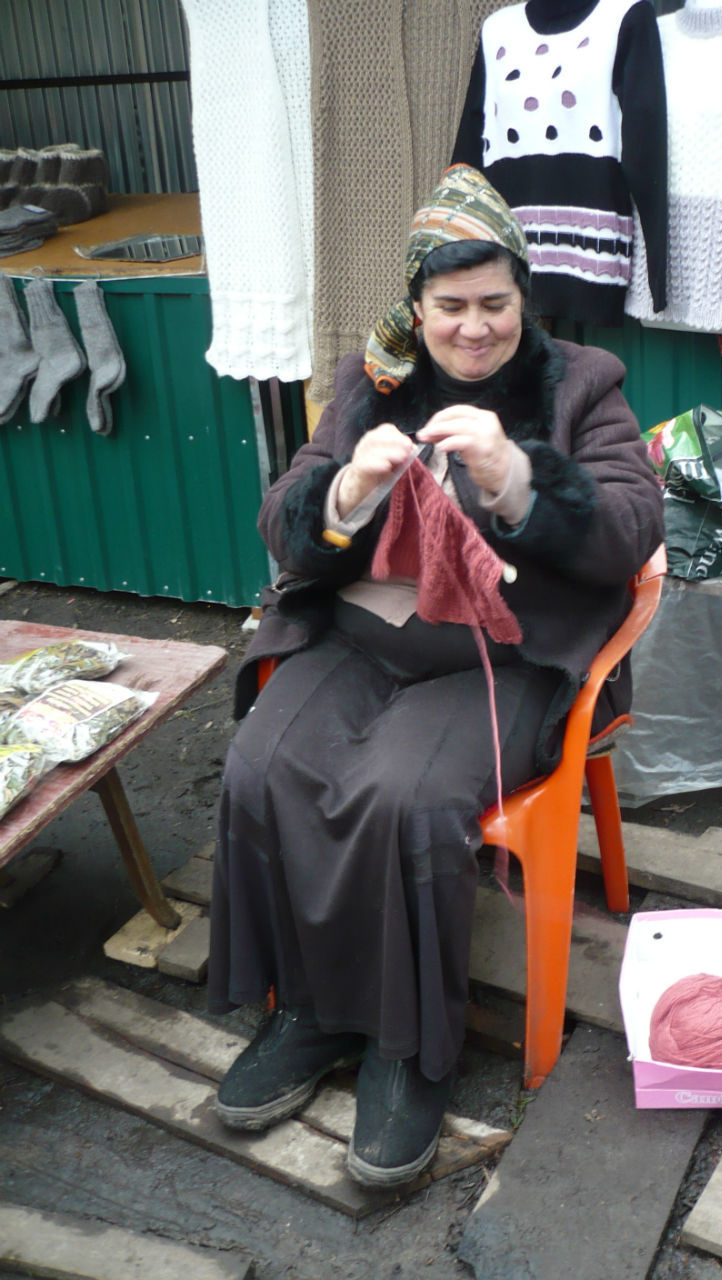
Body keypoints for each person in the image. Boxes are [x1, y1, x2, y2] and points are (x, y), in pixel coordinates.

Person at [207, 164, 664, 1188]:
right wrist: (348, 492)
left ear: (523, 297)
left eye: (494, 304)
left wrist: (516, 476)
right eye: (449, 306)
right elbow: (284, 518)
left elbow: (635, 524)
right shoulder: (371, 378)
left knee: (402, 795)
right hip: (362, 640)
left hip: (501, 663)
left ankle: (406, 1049)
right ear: (416, 306)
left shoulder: (581, 383)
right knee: (263, 763)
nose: (472, 327)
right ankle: (316, 1014)